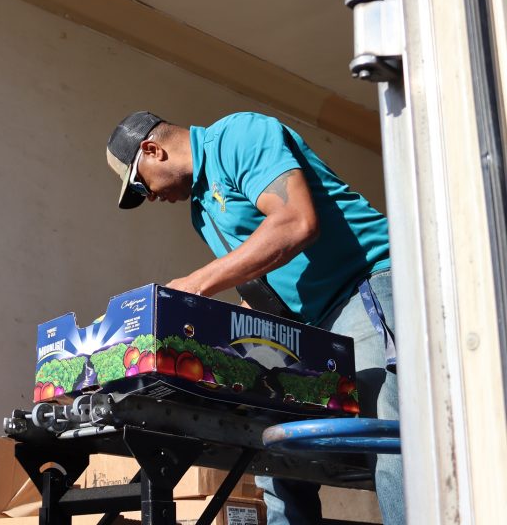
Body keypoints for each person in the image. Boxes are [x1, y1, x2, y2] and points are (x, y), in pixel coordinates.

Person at [105, 110, 404, 525]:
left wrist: (194, 285)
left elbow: (296, 222)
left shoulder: (237, 135)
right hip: (312, 325)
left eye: (142, 185)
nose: (150, 197)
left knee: (387, 435)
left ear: (153, 150)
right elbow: (265, 290)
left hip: (365, 283)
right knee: (275, 451)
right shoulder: (202, 211)